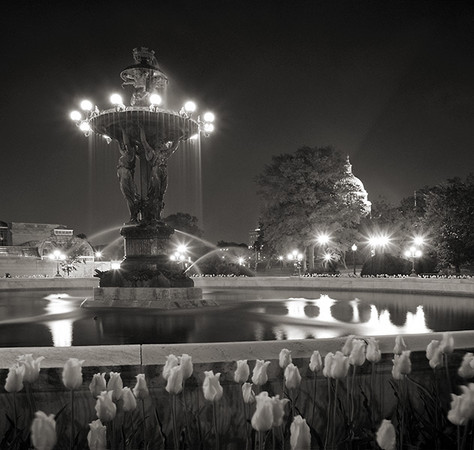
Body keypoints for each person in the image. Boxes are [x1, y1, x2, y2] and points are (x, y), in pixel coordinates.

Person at [117, 128, 140, 223]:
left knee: (129, 196)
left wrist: (123, 130)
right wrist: (118, 139)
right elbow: (121, 147)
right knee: (128, 196)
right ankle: (133, 216)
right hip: (122, 174)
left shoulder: (131, 152)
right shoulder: (126, 154)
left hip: (125, 174)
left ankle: (134, 216)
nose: (124, 147)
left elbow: (126, 143)